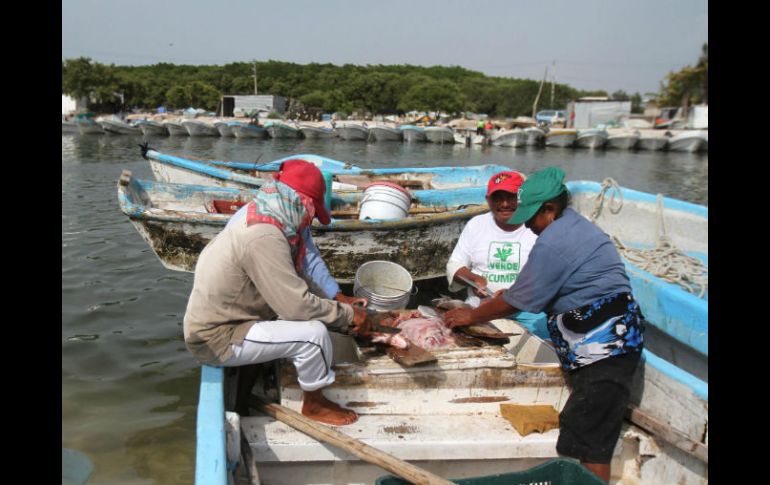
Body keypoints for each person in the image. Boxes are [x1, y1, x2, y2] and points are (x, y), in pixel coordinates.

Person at [443, 167, 644, 482]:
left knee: (591, 443)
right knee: (580, 430)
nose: (526, 224)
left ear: (550, 209)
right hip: (599, 342)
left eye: (530, 216)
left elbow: (517, 301)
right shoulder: (572, 226)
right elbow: (535, 289)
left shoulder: (555, 240)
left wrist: (470, 315)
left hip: (606, 347)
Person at [183, 159, 372, 426]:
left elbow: (300, 272)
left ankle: (243, 398)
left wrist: (337, 302)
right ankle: (315, 405)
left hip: (235, 317)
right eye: (313, 211)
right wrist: (348, 315)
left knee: (313, 319)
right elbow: (296, 307)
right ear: (302, 202)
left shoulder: (269, 215)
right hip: (217, 337)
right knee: (314, 336)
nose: (311, 218)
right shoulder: (265, 236)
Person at [445, 171, 548, 338]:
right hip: (480, 307)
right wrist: (474, 280)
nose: (505, 204)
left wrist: (513, 295)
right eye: (497, 198)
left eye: (511, 197)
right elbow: (455, 265)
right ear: (488, 200)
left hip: (527, 309)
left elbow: (548, 278)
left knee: (547, 341)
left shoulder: (536, 226)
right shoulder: (476, 224)